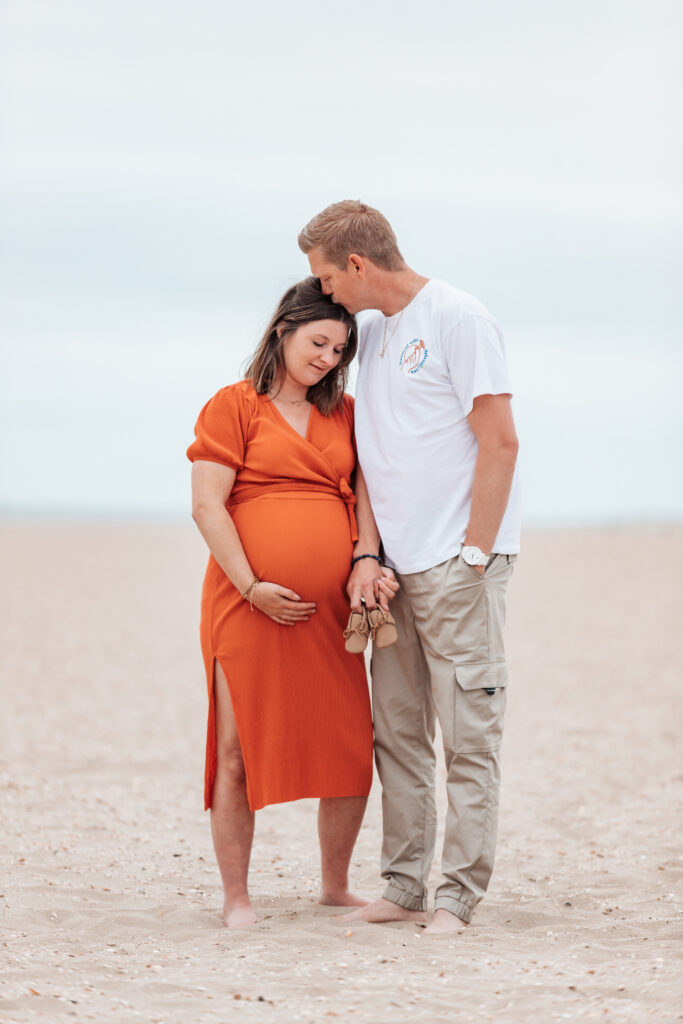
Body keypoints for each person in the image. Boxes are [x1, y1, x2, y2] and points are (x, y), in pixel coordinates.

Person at [298, 200, 521, 933]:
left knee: (467, 737)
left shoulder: (458, 318)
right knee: (397, 735)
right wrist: (367, 552)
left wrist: (473, 554)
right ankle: (403, 886)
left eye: (327, 277)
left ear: (356, 264)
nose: (324, 292)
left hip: (457, 565)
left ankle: (457, 895)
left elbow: (499, 443)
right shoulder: (372, 332)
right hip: (391, 574)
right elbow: (371, 459)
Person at [187, 277, 396, 928]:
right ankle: (236, 898)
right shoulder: (232, 406)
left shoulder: (347, 413)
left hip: (332, 613)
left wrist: (364, 555)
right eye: (319, 341)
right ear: (284, 330)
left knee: (346, 745)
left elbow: (367, 492)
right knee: (235, 748)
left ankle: (334, 886)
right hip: (244, 604)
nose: (328, 358)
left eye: (339, 349)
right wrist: (251, 585)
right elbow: (205, 504)